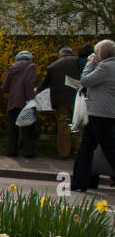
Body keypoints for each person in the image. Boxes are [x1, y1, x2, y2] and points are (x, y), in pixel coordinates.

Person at [72, 39, 115, 194]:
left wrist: (90, 62)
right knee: (85, 148)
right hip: (103, 112)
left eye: (97, 52)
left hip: (100, 113)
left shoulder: (105, 66)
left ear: (101, 53)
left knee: (109, 148)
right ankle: (79, 182)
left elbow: (85, 80)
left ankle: (80, 181)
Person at [46, 47, 81, 158]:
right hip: (76, 99)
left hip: (60, 100)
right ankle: (80, 150)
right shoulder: (78, 60)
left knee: (63, 127)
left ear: (60, 55)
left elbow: (46, 82)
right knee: (78, 125)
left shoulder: (52, 66)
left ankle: (64, 153)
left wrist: (37, 91)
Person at [3, 49, 39, 158]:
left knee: (12, 128)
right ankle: (28, 153)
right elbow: (29, 83)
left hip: (13, 101)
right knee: (27, 127)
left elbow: (5, 86)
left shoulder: (12, 67)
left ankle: (11, 152)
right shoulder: (31, 66)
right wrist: (31, 98)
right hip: (25, 101)